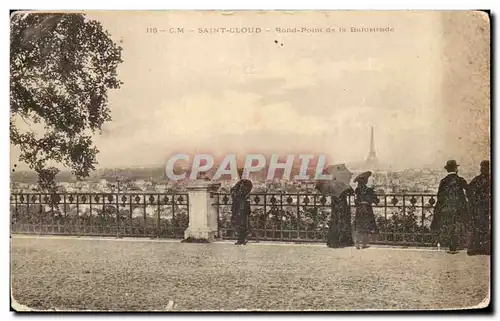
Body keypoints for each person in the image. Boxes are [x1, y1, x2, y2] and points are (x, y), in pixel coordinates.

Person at [431, 160, 469, 254]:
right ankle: (455, 246)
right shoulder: (460, 180)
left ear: (447, 170)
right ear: (456, 169)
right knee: (457, 226)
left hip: (446, 208)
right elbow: (469, 190)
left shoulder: (443, 181)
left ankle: (451, 246)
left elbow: (440, 196)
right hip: (459, 208)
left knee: (450, 226)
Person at [467, 160, 491, 256]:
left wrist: (473, 202)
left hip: (479, 207)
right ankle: (485, 248)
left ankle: (476, 248)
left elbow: (469, 192)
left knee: (478, 227)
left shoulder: (477, 179)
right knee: (484, 227)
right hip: (484, 207)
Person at [352, 171, 379, 249]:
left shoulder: (357, 190)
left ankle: (357, 242)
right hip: (367, 209)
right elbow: (376, 201)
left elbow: (355, 201)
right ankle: (363, 243)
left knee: (359, 225)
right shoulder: (369, 190)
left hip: (360, 209)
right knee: (366, 225)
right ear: (365, 181)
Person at [230, 168, 253, 245]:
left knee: (243, 222)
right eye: (239, 174)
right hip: (237, 205)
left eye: (242, 173)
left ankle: (242, 238)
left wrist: (236, 193)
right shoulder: (239, 183)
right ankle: (241, 238)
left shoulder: (248, 183)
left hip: (243, 206)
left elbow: (242, 193)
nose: (241, 175)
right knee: (237, 221)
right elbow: (232, 191)